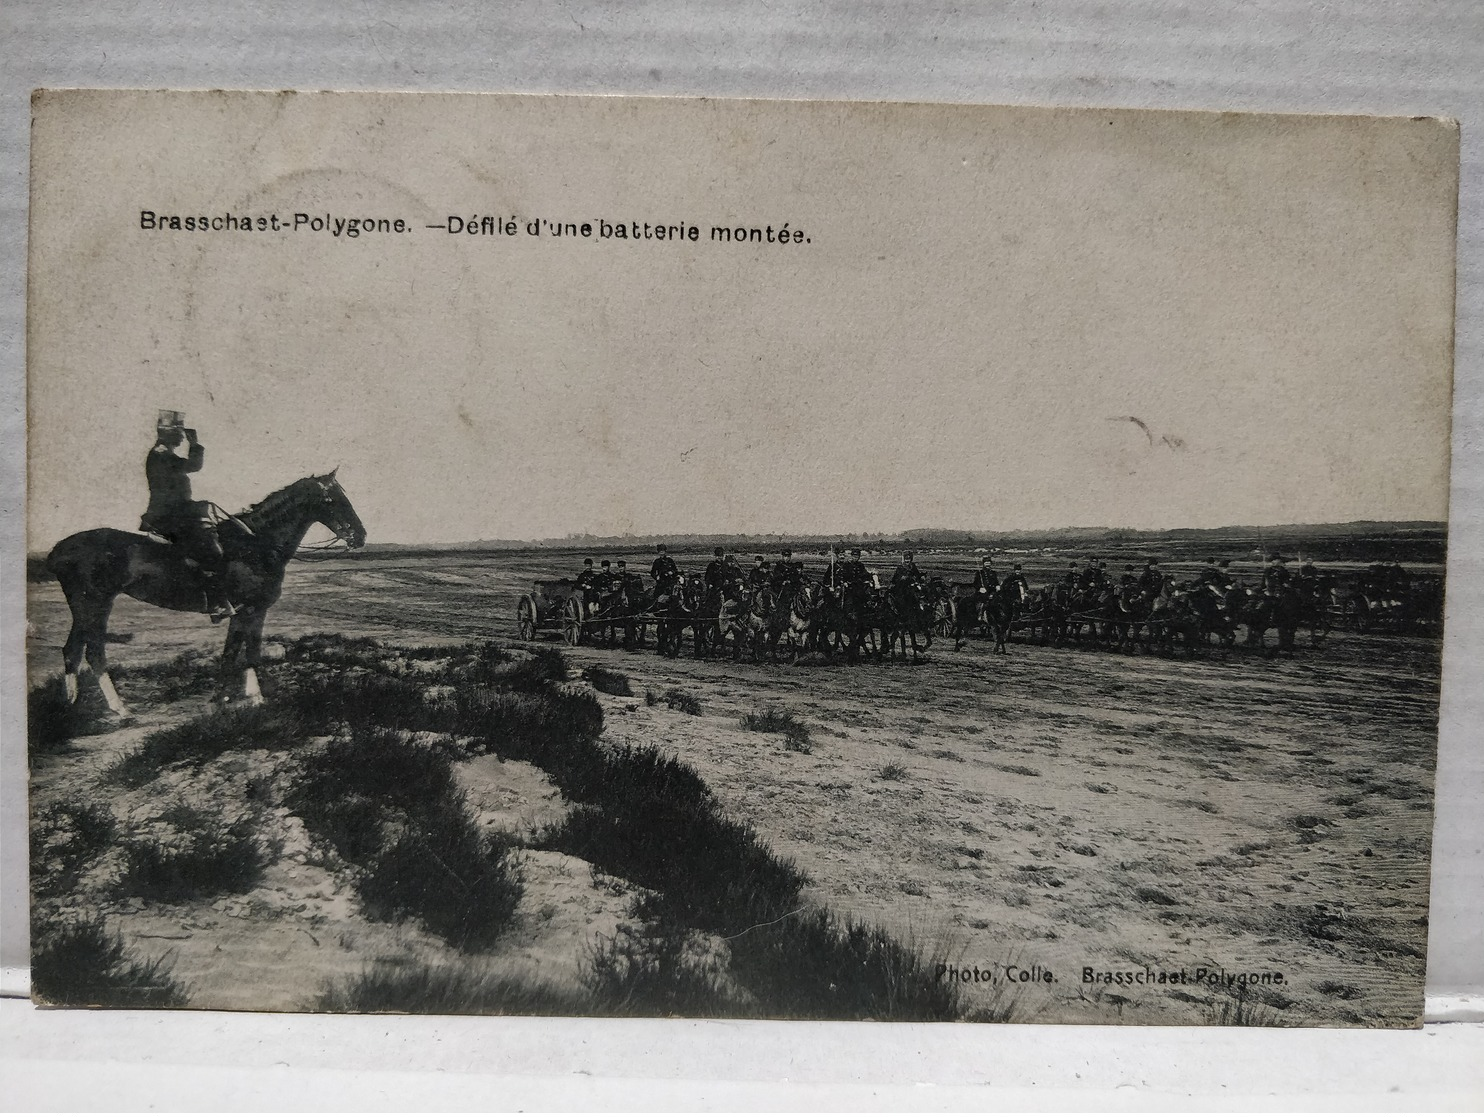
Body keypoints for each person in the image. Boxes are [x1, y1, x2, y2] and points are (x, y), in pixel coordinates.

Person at [140, 411, 236, 620]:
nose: (182, 437)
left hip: (176, 512)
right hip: (170, 515)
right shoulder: (161, 453)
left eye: (183, 434)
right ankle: (216, 604)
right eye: (179, 433)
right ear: (167, 433)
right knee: (212, 551)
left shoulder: (163, 452)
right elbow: (194, 466)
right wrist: (196, 444)